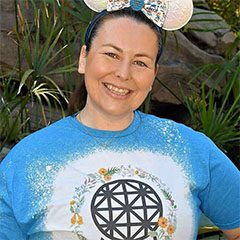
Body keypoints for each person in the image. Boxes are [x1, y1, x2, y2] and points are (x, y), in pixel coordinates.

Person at [0, 0, 239, 239]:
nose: (123, 73)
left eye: (140, 62)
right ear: (84, 58)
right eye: (112, 54)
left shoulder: (192, 149)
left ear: (154, 74)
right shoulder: (25, 161)